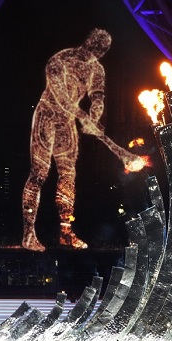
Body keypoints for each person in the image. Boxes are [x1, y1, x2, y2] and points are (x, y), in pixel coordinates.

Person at [21, 28, 111, 252]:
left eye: (99, 53)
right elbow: (60, 97)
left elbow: (97, 98)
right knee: (39, 173)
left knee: (68, 177)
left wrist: (94, 117)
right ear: (87, 43)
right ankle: (29, 234)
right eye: (93, 49)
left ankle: (65, 232)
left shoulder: (97, 69)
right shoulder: (59, 60)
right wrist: (83, 117)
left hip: (66, 125)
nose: (94, 55)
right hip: (47, 116)